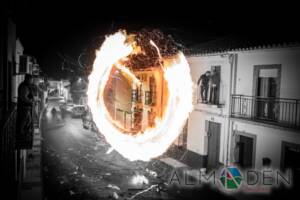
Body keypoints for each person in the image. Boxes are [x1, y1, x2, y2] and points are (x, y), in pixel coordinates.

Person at [16, 74, 35, 149]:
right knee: (24, 121)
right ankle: (22, 135)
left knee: (27, 121)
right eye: (31, 79)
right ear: (28, 79)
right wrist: (31, 101)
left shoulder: (25, 85)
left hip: (25, 107)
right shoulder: (24, 86)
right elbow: (24, 98)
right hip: (24, 107)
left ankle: (24, 134)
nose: (32, 81)